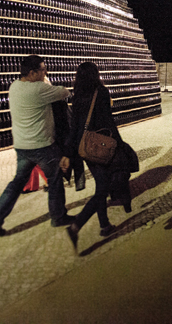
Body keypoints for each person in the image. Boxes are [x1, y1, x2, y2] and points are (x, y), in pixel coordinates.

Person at [0, 55, 73, 237]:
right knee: (55, 180)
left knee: (16, 184)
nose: (45, 72)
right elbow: (65, 92)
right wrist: (47, 83)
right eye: (42, 70)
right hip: (42, 146)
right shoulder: (39, 89)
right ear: (32, 73)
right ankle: (58, 217)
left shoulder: (14, 87)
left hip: (22, 146)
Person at [66, 62, 125, 251]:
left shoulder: (77, 96)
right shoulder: (101, 92)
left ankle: (104, 224)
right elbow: (109, 120)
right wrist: (119, 143)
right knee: (103, 188)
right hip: (101, 144)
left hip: (85, 147)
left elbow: (74, 126)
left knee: (101, 184)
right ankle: (76, 226)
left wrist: (71, 151)